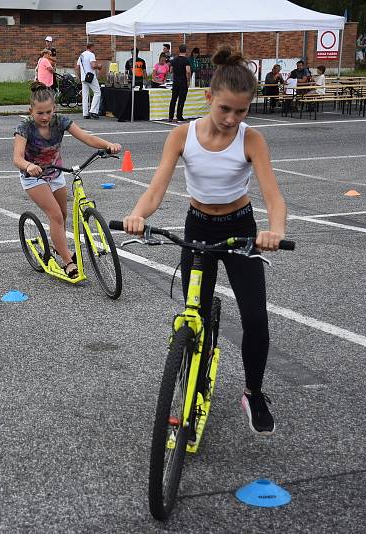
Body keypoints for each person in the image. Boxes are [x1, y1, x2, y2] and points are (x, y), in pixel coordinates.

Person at [119, 46, 288, 436]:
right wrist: (138, 215)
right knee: (194, 314)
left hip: (240, 228)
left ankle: (253, 392)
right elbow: (157, 188)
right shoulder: (182, 135)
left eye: (241, 111)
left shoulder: (252, 140)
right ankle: (192, 390)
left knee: (255, 319)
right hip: (198, 228)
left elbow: (274, 197)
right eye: (225, 109)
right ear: (208, 98)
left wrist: (274, 230)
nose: (231, 119)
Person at [13, 82, 121, 278]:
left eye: (48, 112)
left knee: (62, 216)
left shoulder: (60, 121)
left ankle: (56, 245)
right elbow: (17, 158)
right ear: (31, 111)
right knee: (55, 215)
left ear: (54, 108)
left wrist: (108, 145)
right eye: (40, 113)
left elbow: (86, 138)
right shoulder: (25, 128)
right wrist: (29, 166)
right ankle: (67, 261)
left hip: (55, 173)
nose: (45, 117)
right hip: (33, 177)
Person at [76, 43, 102, 120]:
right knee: (97, 92)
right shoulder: (91, 54)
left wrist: (79, 76)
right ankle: (93, 111)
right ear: (92, 47)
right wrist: (99, 66)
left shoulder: (81, 55)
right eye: (94, 48)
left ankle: (85, 113)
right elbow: (93, 65)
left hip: (83, 77)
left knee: (85, 95)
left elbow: (77, 67)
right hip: (90, 76)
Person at [169, 44, 192, 122]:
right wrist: (188, 81)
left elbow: (171, 70)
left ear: (179, 50)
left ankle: (170, 116)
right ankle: (179, 116)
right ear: (186, 50)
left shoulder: (174, 60)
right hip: (183, 81)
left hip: (175, 81)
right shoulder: (186, 60)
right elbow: (188, 71)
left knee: (173, 99)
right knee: (181, 99)